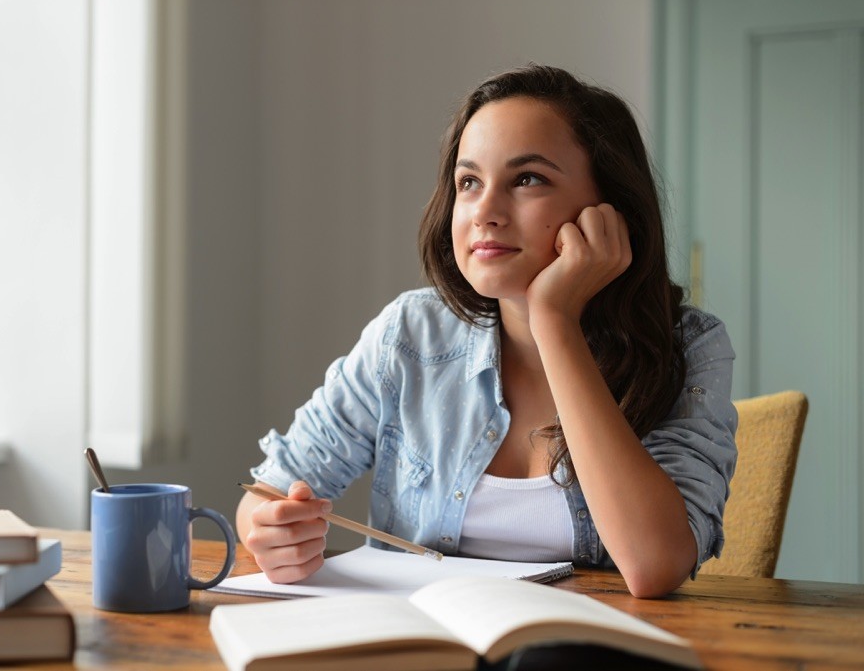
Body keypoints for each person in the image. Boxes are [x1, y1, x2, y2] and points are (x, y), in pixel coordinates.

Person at [235, 64, 737, 599]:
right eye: (469, 182)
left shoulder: (689, 345)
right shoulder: (409, 335)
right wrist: (272, 531)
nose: (485, 212)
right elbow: (265, 494)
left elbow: (656, 565)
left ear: (609, 209)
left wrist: (554, 320)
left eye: (528, 179)